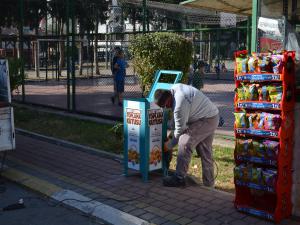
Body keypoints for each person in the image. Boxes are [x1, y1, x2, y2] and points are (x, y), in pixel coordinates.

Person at [154, 84, 219, 187]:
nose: (166, 108)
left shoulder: (180, 103)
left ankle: (179, 179)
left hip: (206, 119)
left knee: (184, 142)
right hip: (211, 115)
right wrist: (171, 135)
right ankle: (209, 185)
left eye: (166, 105)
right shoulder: (174, 90)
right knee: (205, 152)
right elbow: (177, 120)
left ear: (168, 98)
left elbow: (180, 129)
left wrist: (169, 145)